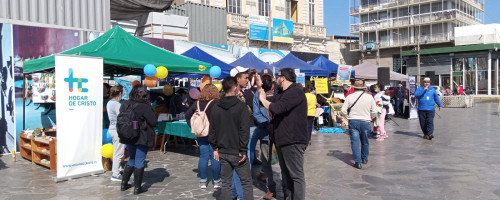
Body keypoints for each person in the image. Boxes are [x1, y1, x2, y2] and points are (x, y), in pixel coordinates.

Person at [257, 68, 308, 200]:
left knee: (296, 175)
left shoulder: (295, 92)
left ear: (283, 78)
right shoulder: (283, 93)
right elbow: (268, 100)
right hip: (283, 140)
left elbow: (277, 108)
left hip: (293, 140)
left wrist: (263, 100)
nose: (275, 79)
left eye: (277, 76)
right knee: (286, 174)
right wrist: (259, 87)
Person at [209, 77, 253, 200]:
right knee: (246, 183)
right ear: (234, 88)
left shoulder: (216, 107)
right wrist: (243, 149)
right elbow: (245, 130)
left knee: (226, 183)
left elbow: (212, 130)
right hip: (237, 151)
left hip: (223, 150)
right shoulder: (241, 106)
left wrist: (215, 147)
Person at [120, 85, 157, 195]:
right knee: (139, 160)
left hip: (128, 135)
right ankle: (137, 188)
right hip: (142, 136)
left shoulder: (125, 104)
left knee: (132, 158)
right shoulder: (145, 106)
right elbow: (153, 122)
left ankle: (124, 184)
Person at [186, 84, 221, 190]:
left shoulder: (197, 103)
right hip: (214, 134)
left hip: (201, 134)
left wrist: (193, 126)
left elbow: (187, 115)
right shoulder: (216, 103)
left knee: (203, 157)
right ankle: (217, 181)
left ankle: (203, 181)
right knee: (215, 157)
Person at [251, 68, 277, 199]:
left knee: (284, 162)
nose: (266, 80)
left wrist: (275, 124)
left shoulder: (280, 91)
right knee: (266, 162)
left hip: (281, 132)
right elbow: (256, 113)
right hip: (265, 132)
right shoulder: (258, 94)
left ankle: (288, 188)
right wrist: (268, 124)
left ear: (272, 78)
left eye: (268, 78)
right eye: (264, 78)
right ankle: (271, 187)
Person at [230, 66, 255, 200]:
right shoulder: (232, 95)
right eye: (245, 77)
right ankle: (240, 196)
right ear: (237, 79)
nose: (248, 80)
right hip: (238, 134)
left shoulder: (242, 93)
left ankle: (235, 193)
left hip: (241, 133)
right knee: (242, 164)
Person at [341, 79, 377, 169]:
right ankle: (364, 158)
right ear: (363, 88)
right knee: (365, 141)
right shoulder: (369, 97)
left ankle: (358, 162)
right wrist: (371, 117)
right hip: (365, 121)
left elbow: (342, 111)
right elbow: (375, 112)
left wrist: (348, 117)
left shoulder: (349, 96)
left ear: (354, 87)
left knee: (355, 142)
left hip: (353, 121)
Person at [107, 85, 125, 181]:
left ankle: (116, 170)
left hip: (112, 128)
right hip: (117, 130)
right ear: (120, 93)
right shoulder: (117, 104)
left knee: (116, 151)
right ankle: (116, 174)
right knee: (119, 152)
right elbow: (121, 117)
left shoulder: (109, 103)